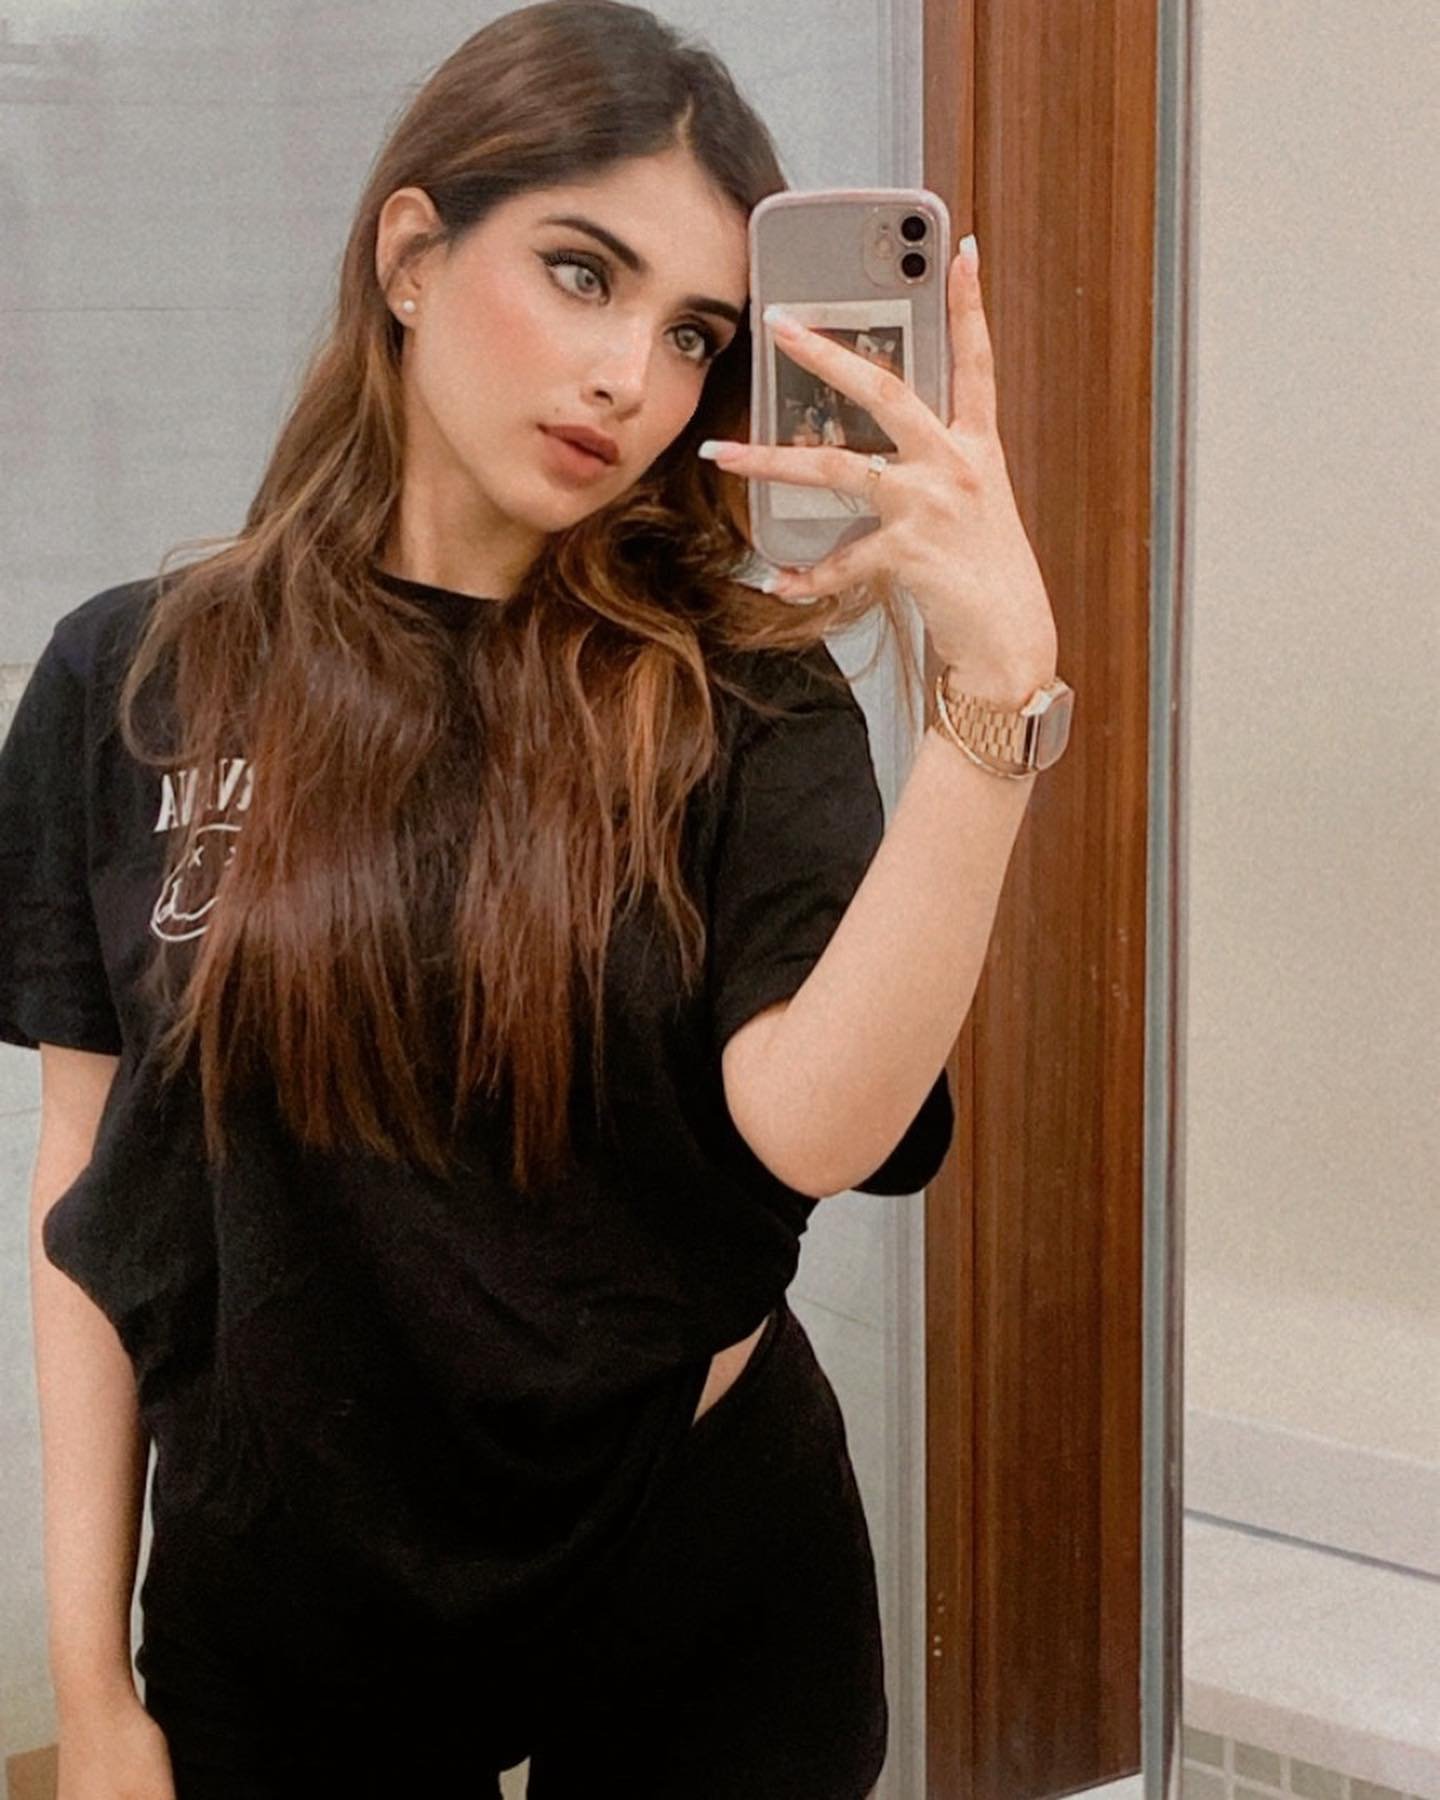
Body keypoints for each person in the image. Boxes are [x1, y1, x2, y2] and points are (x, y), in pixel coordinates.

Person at [5, 3, 1065, 1796]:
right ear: (412, 257)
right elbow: (90, 1187)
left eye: (692, 333)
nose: (629, 379)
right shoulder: (138, 677)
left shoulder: (741, 686)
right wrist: (90, 1684)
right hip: (285, 1614)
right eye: (582, 273)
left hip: (699, 1579)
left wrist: (994, 708)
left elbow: (813, 1129)